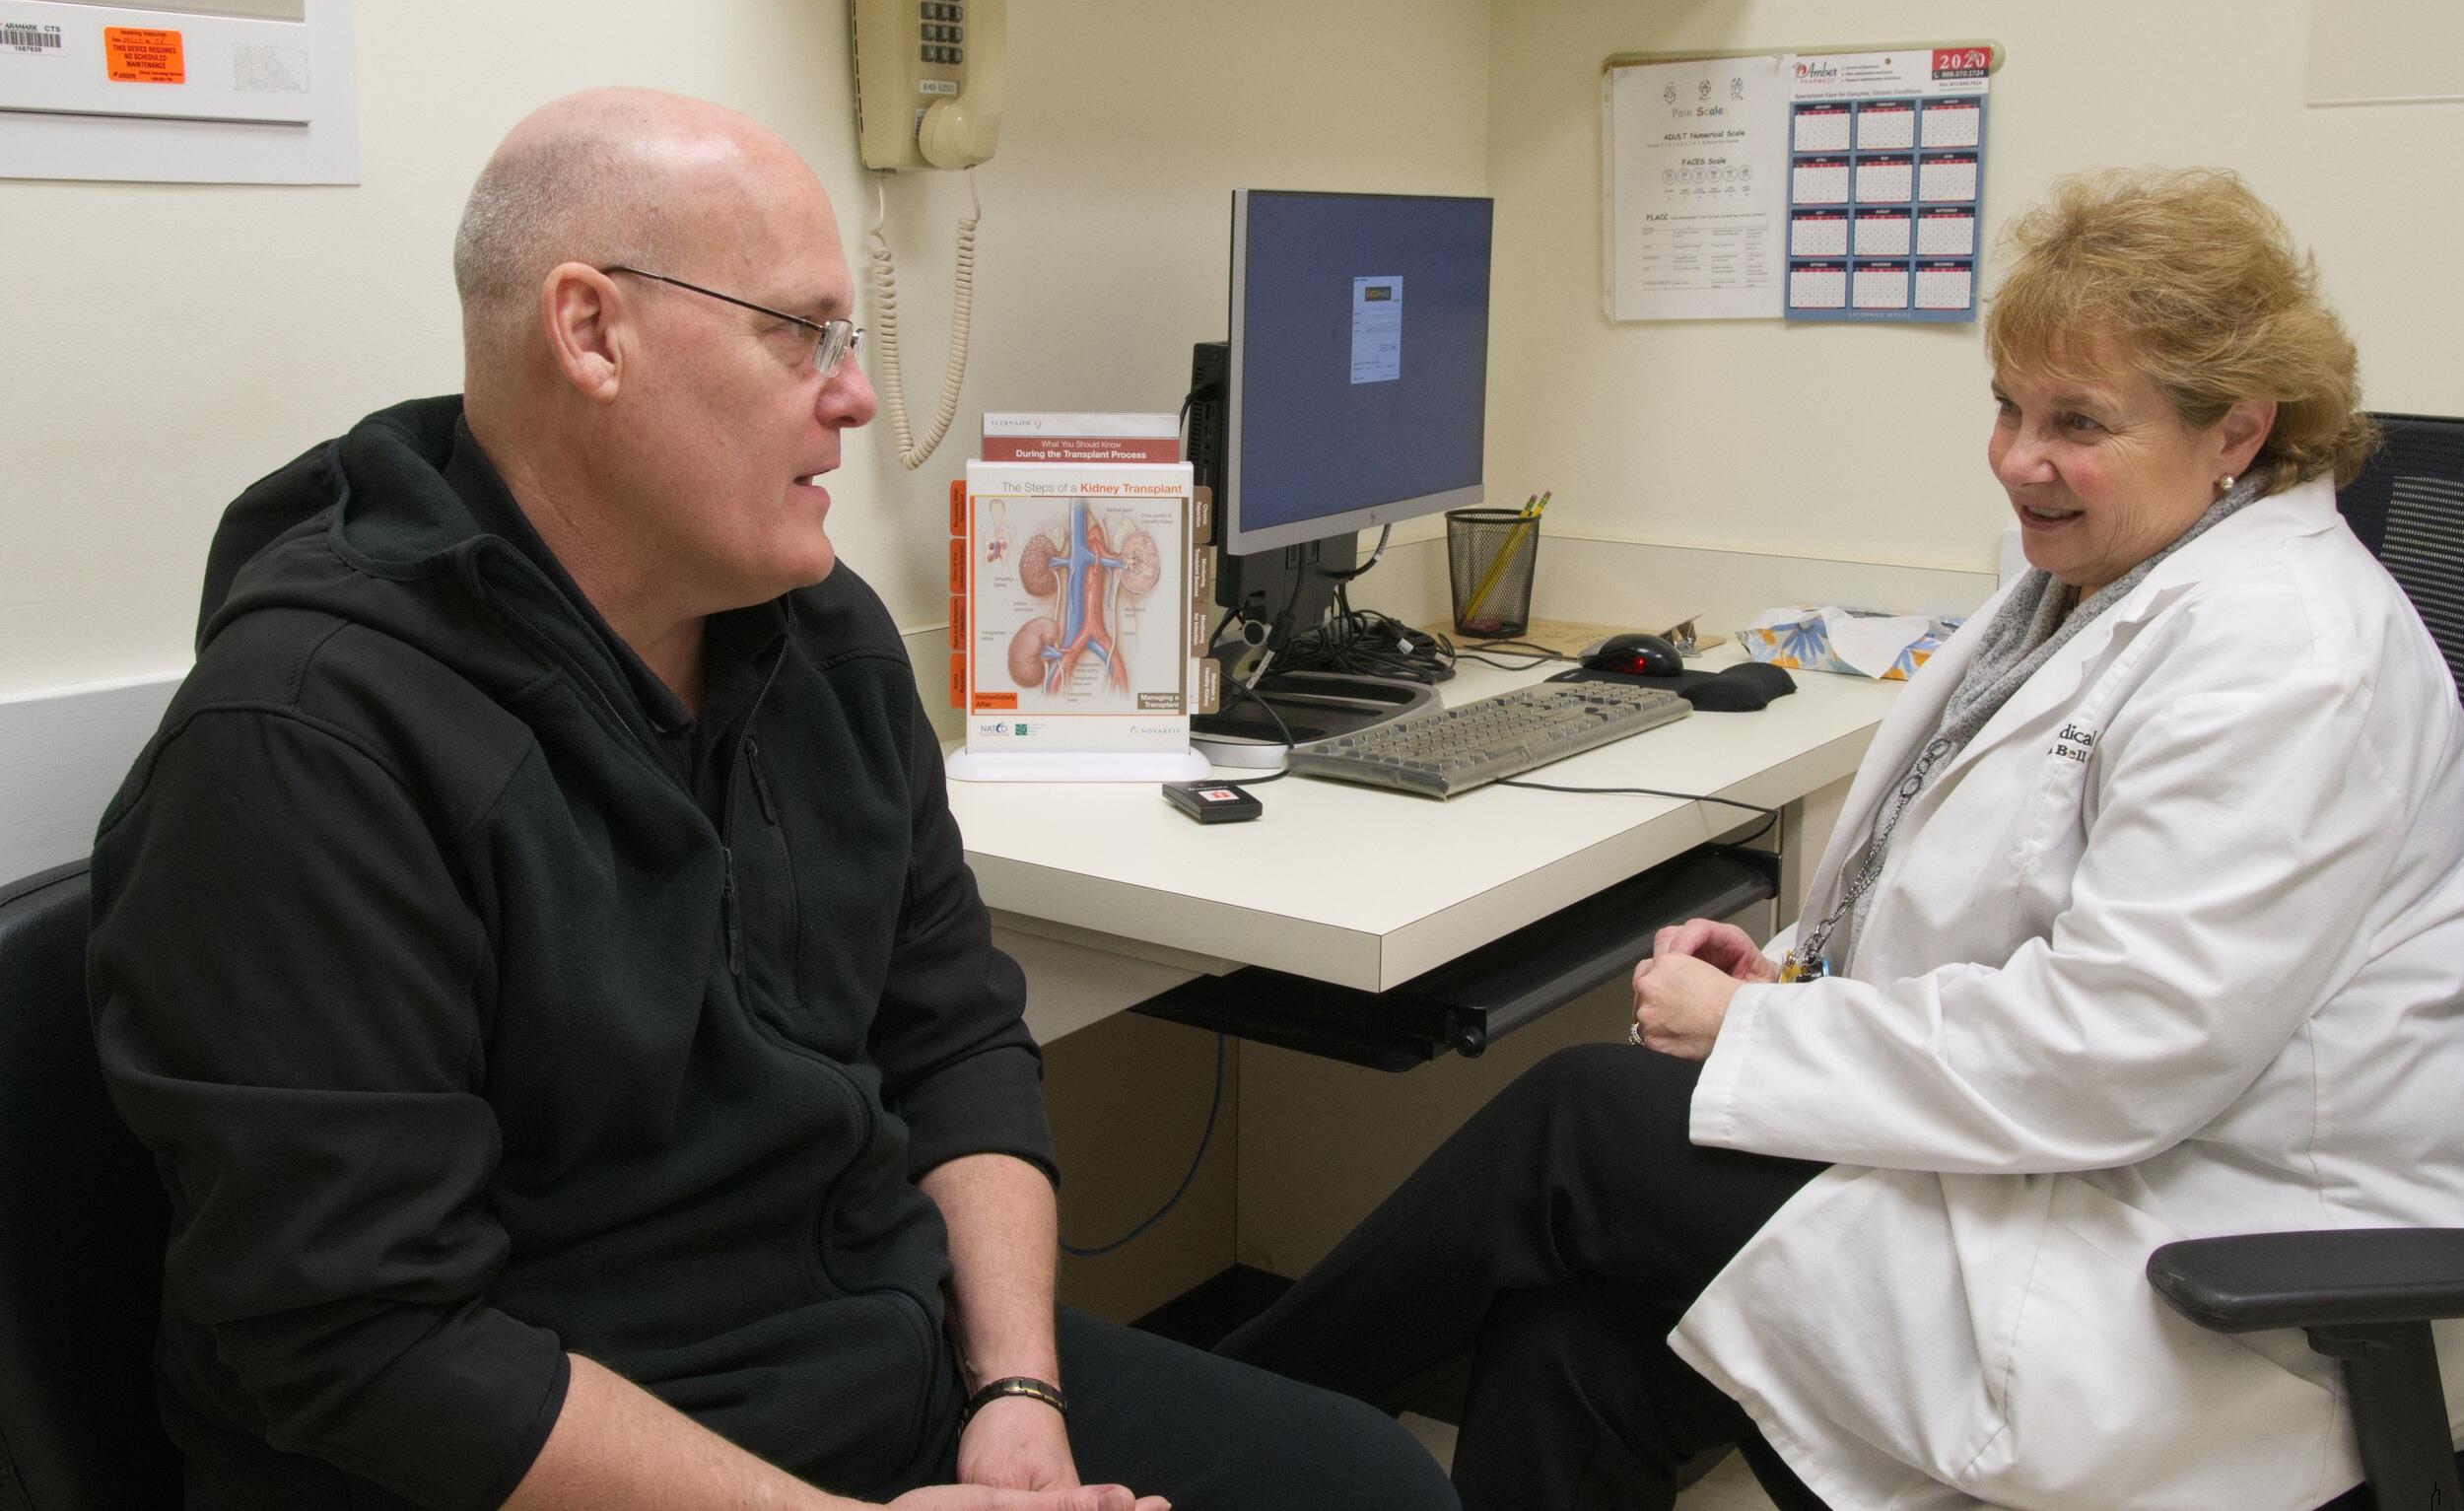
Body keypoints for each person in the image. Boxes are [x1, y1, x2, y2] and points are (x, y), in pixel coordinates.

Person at [86, 88, 1458, 1511]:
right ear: (590, 331)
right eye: (799, 332)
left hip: (892, 1390)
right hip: (538, 1465)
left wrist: (1020, 1399)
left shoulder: (825, 637)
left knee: (1370, 1484)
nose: (855, 392)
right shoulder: (306, 741)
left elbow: (957, 1045)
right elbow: (368, 1341)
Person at [1218, 168, 2464, 1510]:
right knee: (1566, 1345)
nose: (2015, 457)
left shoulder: (2289, 653)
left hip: (2183, 1276)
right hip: (2021, 1183)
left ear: (2239, 430)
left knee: (1581, 1124)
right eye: (2006, 403)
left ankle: (1176, 1450)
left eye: (2077, 422)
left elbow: (2122, 1049)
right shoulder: (2091, 582)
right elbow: (1978, 895)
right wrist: (1796, 980)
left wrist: (1758, 1038)